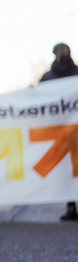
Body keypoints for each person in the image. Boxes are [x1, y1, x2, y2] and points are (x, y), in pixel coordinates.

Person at [39, 42, 78, 221]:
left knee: (71, 170)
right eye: (61, 52)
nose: (63, 55)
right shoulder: (49, 77)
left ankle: (71, 207)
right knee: (68, 170)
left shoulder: (51, 76)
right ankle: (71, 206)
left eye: (65, 52)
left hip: (68, 131)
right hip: (61, 132)